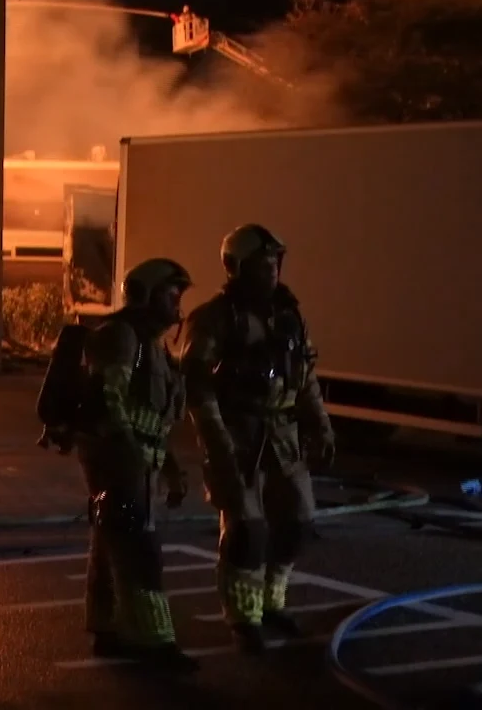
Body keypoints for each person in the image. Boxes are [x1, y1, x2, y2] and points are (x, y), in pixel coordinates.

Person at [181, 223, 336, 653]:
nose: (272, 270)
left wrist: (320, 426)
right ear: (236, 267)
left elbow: (304, 379)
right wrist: (218, 445)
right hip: (238, 433)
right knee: (246, 529)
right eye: (262, 263)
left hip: (283, 432)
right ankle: (244, 616)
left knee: (299, 521)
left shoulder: (289, 314)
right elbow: (197, 385)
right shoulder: (213, 319)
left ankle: (272, 601)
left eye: (275, 262)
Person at [76, 257, 198, 671]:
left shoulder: (154, 343)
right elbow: (111, 400)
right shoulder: (122, 337)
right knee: (139, 548)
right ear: (145, 295)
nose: (177, 303)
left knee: (111, 540)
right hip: (119, 458)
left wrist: (169, 468)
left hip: (139, 458)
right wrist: (128, 455)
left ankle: (106, 629)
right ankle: (156, 642)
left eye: (180, 295)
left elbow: (155, 419)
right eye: (171, 294)